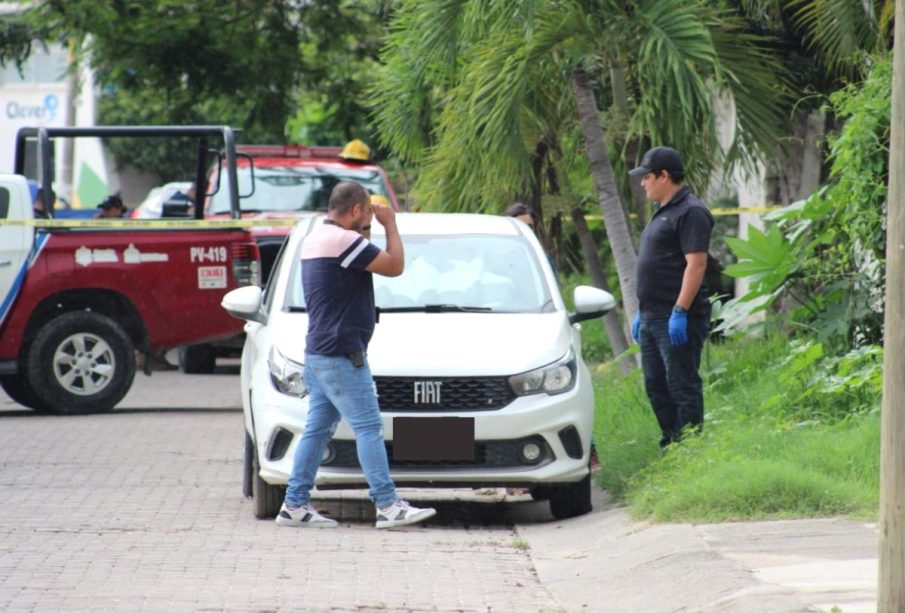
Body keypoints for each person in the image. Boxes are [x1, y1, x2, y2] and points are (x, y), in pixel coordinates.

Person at [277, 181, 436, 529]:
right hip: (341, 354)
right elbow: (394, 265)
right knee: (368, 427)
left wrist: (366, 225)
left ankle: (294, 504)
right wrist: (390, 224)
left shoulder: (318, 238)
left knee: (317, 430)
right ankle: (388, 504)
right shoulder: (345, 241)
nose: (370, 221)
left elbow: (361, 252)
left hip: (318, 352)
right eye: (366, 213)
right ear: (355, 211)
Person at [628, 146, 714, 449]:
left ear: (664, 176)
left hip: (677, 317)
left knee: (681, 384)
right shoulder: (661, 213)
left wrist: (680, 310)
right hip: (652, 316)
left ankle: (689, 450)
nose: (643, 183)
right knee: (656, 385)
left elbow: (697, 264)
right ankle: (672, 444)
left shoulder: (691, 211)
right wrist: (642, 311)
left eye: (647, 177)